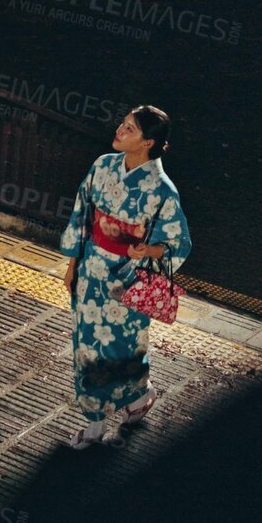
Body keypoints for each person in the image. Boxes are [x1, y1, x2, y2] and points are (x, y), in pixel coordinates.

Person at [57, 105, 191, 449]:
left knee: (125, 350)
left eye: (129, 128)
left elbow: (177, 243)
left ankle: (137, 397)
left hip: (128, 280)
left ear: (147, 142)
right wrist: (72, 263)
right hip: (90, 272)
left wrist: (149, 251)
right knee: (88, 349)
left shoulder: (162, 190)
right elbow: (82, 213)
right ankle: (96, 423)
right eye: (123, 124)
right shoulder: (103, 166)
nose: (119, 130)